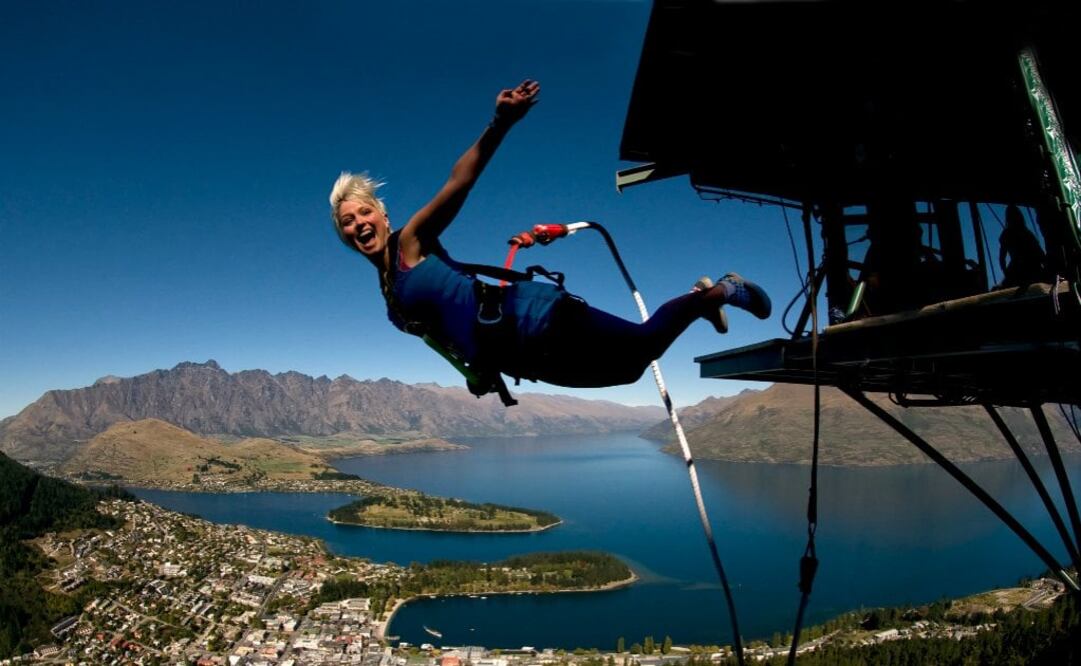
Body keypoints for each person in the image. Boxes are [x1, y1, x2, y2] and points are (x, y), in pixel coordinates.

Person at [328, 80, 770, 401]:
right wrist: (474, 368)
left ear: (383, 215)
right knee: (628, 373)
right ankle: (702, 301)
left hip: (534, 318)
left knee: (638, 350)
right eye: (347, 222)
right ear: (342, 234)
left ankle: (718, 291)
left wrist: (498, 124)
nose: (359, 224)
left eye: (364, 212)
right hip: (519, 355)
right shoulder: (389, 290)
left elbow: (458, 183)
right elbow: (442, 331)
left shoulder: (411, 242)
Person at [998, 204, 1047, 287]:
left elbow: (1002, 258)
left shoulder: (1008, 234)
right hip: (1030, 268)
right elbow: (1040, 253)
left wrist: (1006, 273)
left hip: (1024, 269)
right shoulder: (1027, 234)